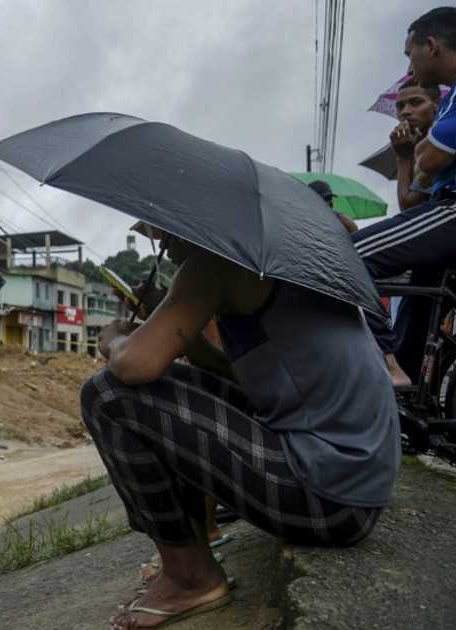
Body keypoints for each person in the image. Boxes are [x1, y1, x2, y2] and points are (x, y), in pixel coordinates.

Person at [85, 228, 397, 629]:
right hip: (355, 487)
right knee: (169, 388)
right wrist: (184, 338)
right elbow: (248, 382)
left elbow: (133, 365)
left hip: (331, 499)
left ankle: (189, 578)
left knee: (107, 394)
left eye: (162, 233)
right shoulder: (283, 261)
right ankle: (197, 548)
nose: (163, 245)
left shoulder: (212, 261)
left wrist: (115, 339)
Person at [353, 7, 456, 388]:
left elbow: (433, 157)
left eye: (409, 53)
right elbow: (412, 201)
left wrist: (424, 154)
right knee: (417, 320)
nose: (408, 64)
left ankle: (390, 371)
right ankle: (409, 392)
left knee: (348, 257)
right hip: (451, 207)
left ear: (431, 45)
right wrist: (409, 157)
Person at [391, 79, 442, 210]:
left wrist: (403, 157)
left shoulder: (441, 142)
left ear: (436, 105)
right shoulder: (415, 145)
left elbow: (407, 206)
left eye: (416, 102)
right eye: (400, 106)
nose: (405, 112)